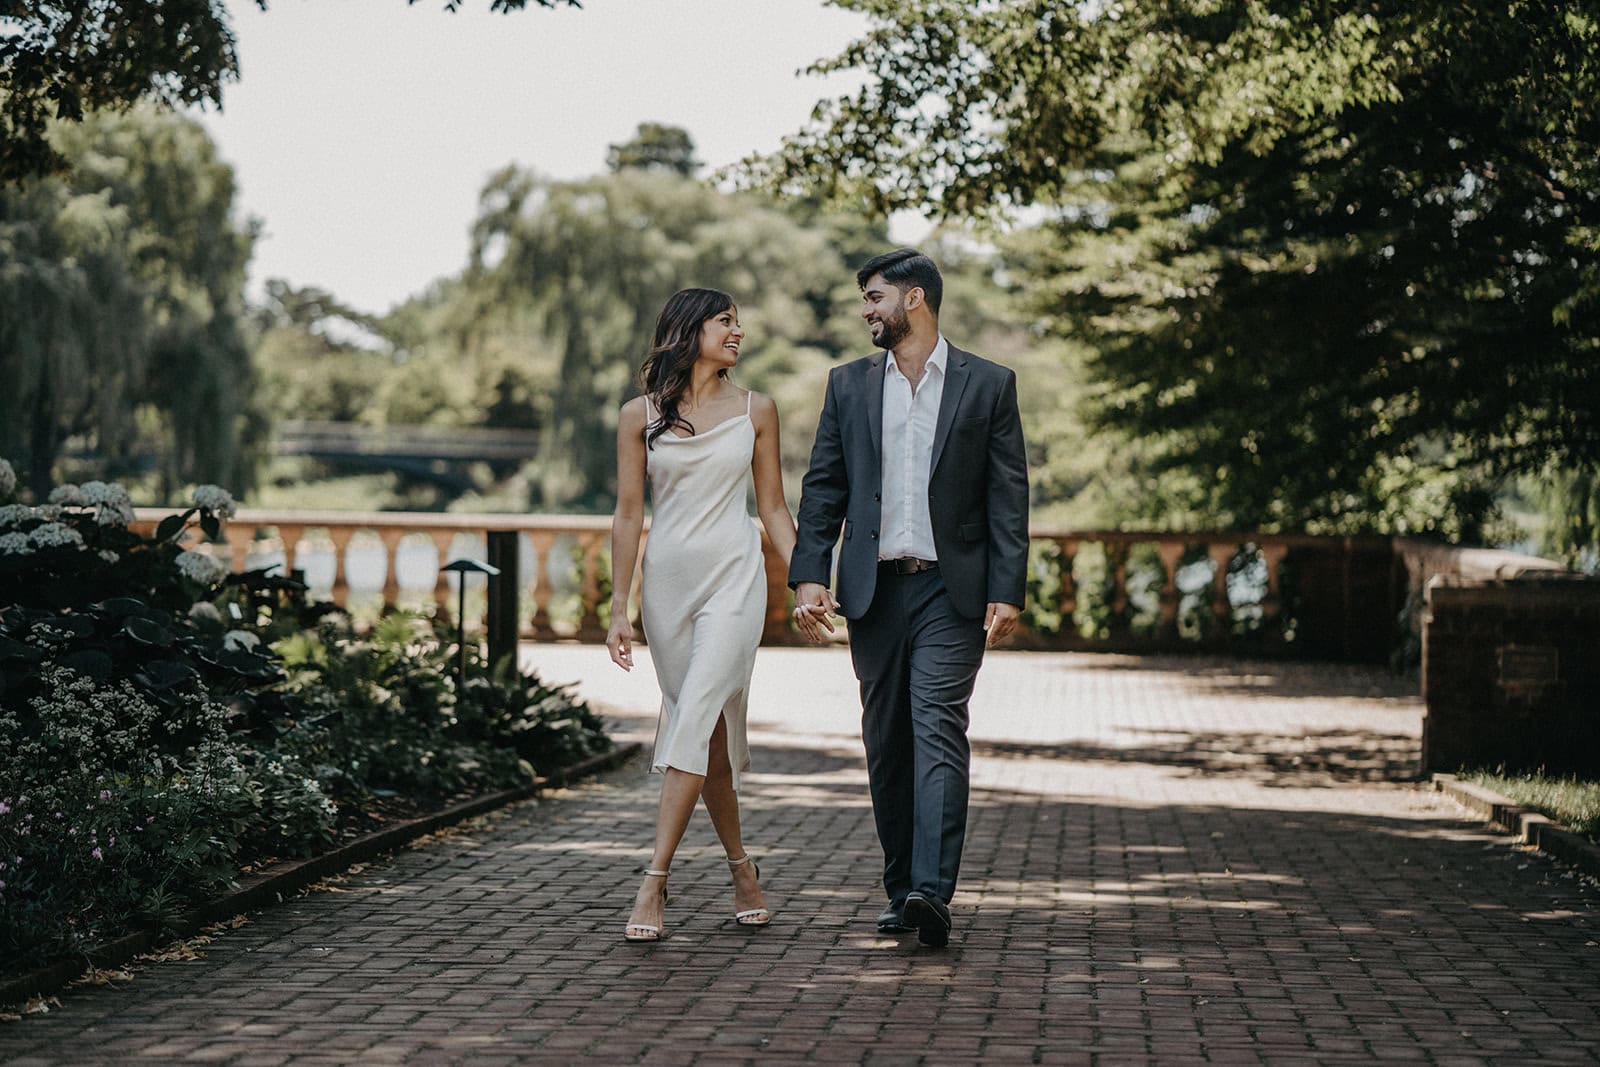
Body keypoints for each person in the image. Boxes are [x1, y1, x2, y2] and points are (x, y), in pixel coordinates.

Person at [788, 248, 1030, 947]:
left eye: (874, 297)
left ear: (914, 298)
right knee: (886, 742)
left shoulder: (988, 384)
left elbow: (1007, 492)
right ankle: (902, 890)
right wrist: (811, 573)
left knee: (937, 728)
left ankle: (932, 888)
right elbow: (824, 485)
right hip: (873, 591)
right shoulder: (848, 386)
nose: (866, 310)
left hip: (950, 590)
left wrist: (1006, 586)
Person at [607, 287, 807, 943]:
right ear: (690, 330)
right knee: (708, 735)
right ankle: (740, 867)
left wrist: (807, 580)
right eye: (726, 321)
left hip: (734, 581)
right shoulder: (639, 415)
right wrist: (618, 606)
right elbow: (629, 514)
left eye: (737, 322)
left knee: (691, 718)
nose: (738, 331)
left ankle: (654, 879)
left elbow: (773, 507)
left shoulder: (758, 410)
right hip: (668, 588)